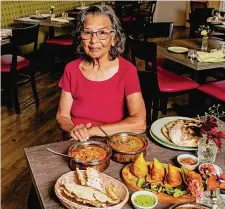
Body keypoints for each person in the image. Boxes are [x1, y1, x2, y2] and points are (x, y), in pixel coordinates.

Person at [56, 4, 146, 141]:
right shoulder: (71, 69)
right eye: (87, 32)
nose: (94, 40)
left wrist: (91, 132)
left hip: (111, 141)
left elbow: (139, 123)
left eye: (102, 33)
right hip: (74, 141)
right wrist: (73, 130)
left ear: (114, 39)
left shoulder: (127, 70)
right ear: (81, 38)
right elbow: (62, 116)